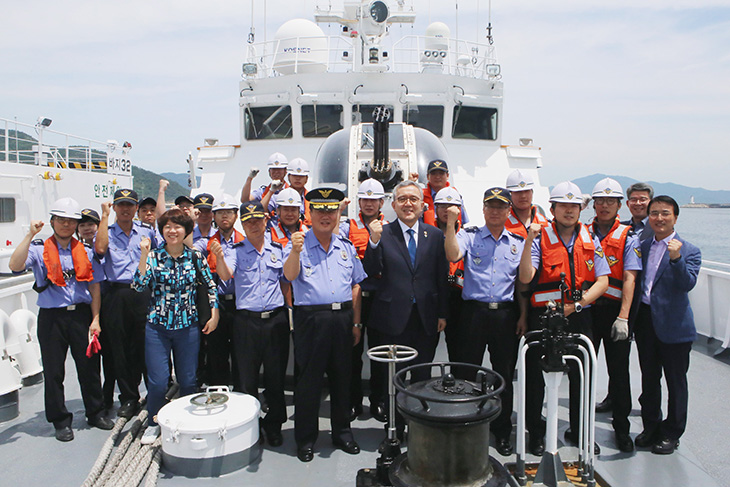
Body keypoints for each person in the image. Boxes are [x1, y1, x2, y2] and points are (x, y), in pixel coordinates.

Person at [9, 198, 114, 441]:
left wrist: (95, 319)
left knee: (88, 367)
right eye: (61, 220)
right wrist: (28, 235)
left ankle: (95, 412)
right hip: (51, 318)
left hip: (80, 315)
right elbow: (15, 265)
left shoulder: (86, 252)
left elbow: (95, 288)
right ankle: (60, 420)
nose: (66, 224)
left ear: (76, 224)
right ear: (53, 221)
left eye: (71, 221)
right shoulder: (37, 249)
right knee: (54, 370)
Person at [518, 181, 609, 456]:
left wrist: (576, 306)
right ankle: (535, 433)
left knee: (582, 376)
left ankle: (580, 432)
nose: (569, 211)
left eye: (574, 206)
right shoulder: (540, 236)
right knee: (535, 378)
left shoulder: (590, 238)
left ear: (580, 209)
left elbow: (602, 280)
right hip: (543, 319)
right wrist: (528, 241)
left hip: (578, 318)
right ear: (553, 209)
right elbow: (525, 277)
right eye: (563, 206)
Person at [283, 187, 366, 462]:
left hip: (342, 319)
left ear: (337, 214)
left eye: (330, 210)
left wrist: (356, 323)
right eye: (319, 210)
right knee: (309, 381)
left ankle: (342, 433)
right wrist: (295, 252)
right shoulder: (297, 243)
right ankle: (306, 439)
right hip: (311, 319)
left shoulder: (346, 246)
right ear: (310, 213)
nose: (325, 216)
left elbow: (356, 284)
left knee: (343, 378)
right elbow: (289, 276)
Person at [444, 187, 527, 456]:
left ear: (508, 211)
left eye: (500, 207)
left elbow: (522, 284)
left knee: (503, 374)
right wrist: (449, 223)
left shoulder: (518, 241)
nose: (495, 211)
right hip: (473, 313)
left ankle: (502, 431)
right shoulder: (468, 235)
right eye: (490, 206)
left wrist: (524, 316)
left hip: (505, 314)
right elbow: (452, 255)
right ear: (483, 209)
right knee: (466, 373)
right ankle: (463, 426)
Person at [363, 180, 449, 439]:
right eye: (402, 199)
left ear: (422, 205)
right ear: (393, 205)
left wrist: (442, 313)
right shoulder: (383, 233)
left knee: (422, 374)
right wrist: (374, 241)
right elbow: (371, 270)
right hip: (392, 318)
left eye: (413, 199)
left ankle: (419, 426)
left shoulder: (433, 235)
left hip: (425, 317)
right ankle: (395, 427)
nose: (408, 203)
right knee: (395, 376)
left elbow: (440, 276)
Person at [134, 208, 219, 445]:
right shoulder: (153, 257)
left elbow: (211, 287)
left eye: (178, 227)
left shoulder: (195, 257)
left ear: (186, 231)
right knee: (158, 380)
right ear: (162, 231)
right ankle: (154, 422)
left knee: (189, 379)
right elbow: (140, 286)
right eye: (167, 227)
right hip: (157, 327)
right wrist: (143, 254)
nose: (173, 231)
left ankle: (186, 420)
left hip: (187, 327)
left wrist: (214, 315)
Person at [214, 201, 290, 447]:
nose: (253, 225)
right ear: (242, 225)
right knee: (245, 379)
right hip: (246, 322)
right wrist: (218, 256)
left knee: (276, 377)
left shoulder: (278, 249)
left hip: (275, 321)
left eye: (258, 220)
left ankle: (274, 424)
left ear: (266, 221)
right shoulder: (234, 250)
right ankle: (250, 424)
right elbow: (225, 276)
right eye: (248, 222)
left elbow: (287, 280)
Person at [632, 195, 701, 455]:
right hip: (646, 322)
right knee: (649, 378)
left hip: (675, 327)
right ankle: (650, 426)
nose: (659, 218)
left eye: (665, 213)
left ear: (675, 217)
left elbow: (687, 284)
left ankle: (672, 432)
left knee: (676, 381)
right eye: (654, 213)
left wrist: (676, 259)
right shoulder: (643, 245)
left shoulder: (689, 249)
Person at [588, 178, 641, 453]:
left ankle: (622, 430)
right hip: (586, 311)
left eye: (611, 201)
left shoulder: (629, 237)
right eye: (600, 201)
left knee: (619, 373)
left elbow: (630, 279)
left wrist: (624, 318)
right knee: (583, 370)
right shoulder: (583, 233)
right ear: (594, 204)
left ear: (620, 205)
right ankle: (582, 428)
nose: (605, 205)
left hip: (614, 313)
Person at [95, 189, 157, 418]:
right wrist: (103, 217)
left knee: (147, 345)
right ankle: (129, 397)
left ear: (135, 208)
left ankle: (154, 394)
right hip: (117, 294)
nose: (125, 209)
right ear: (115, 207)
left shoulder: (147, 232)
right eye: (121, 205)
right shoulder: (107, 233)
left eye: (130, 205)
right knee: (120, 349)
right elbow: (100, 250)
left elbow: (160, 256)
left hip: (143, 293)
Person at [338, 179, 388, 422]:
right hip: (354, 297)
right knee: (352, 353)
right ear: (359, 201)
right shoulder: (347, 226)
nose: (369, 204)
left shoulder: (389, 227)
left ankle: (378, 401)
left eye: (374, 199)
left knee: (378, 352)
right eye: (365, 199)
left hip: (380, 298)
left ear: (381, 202)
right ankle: (353, 401)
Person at [194, 195, 244, 387]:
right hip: (216, 304)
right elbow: (189, 249)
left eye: (229, 212)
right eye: (220, 213)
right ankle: (218, 393)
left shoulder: (244, 242)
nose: (225, 217)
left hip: (240, 303)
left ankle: (242, 394)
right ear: (214, 216)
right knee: (216, 353)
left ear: (236, 215)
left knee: (241, 353)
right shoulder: (205, 244)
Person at [431, 187, 466, 365]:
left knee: (460, 352)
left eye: (451, 206)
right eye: (442, 206)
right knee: (426, 351)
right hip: (433, 299)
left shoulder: (468, 234)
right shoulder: (426, 234)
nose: (447, 210)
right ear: (435, 209)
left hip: (458, 298)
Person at [421, 159, 469, 226]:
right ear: (427, 176)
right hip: (428, 235)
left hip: (452, 235)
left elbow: (462, 223)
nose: (437, 177)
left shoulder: (456, 196)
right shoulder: (421, 196)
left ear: (447, 175)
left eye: (441, 173)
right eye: (433, 173)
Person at [504, 169, 549, 238]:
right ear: (510, 195)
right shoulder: (502, 224)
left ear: (532, 192)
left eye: (527, 191)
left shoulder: (546, 223)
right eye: (518, 192)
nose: (523, 196)